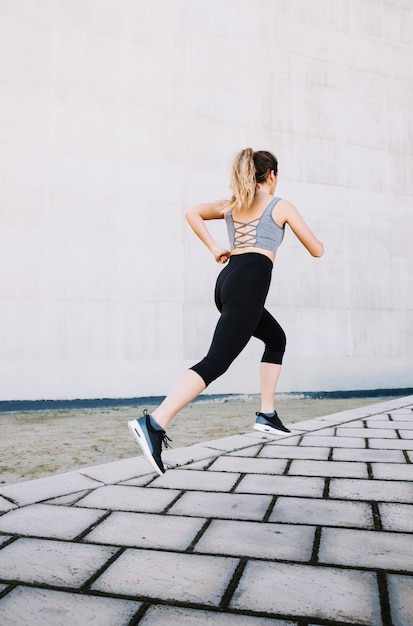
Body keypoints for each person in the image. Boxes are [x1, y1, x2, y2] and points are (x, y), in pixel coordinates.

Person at [128, 148, 324, 475]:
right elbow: (316, 249)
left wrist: (216, 247)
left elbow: (192, 212)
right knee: (216, 361)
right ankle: (153, 423)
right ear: (272, 175)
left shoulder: (233, 203)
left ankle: (267, 415)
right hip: (249, 282)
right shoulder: (281, 205)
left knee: (276, 339)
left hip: (228, 280)